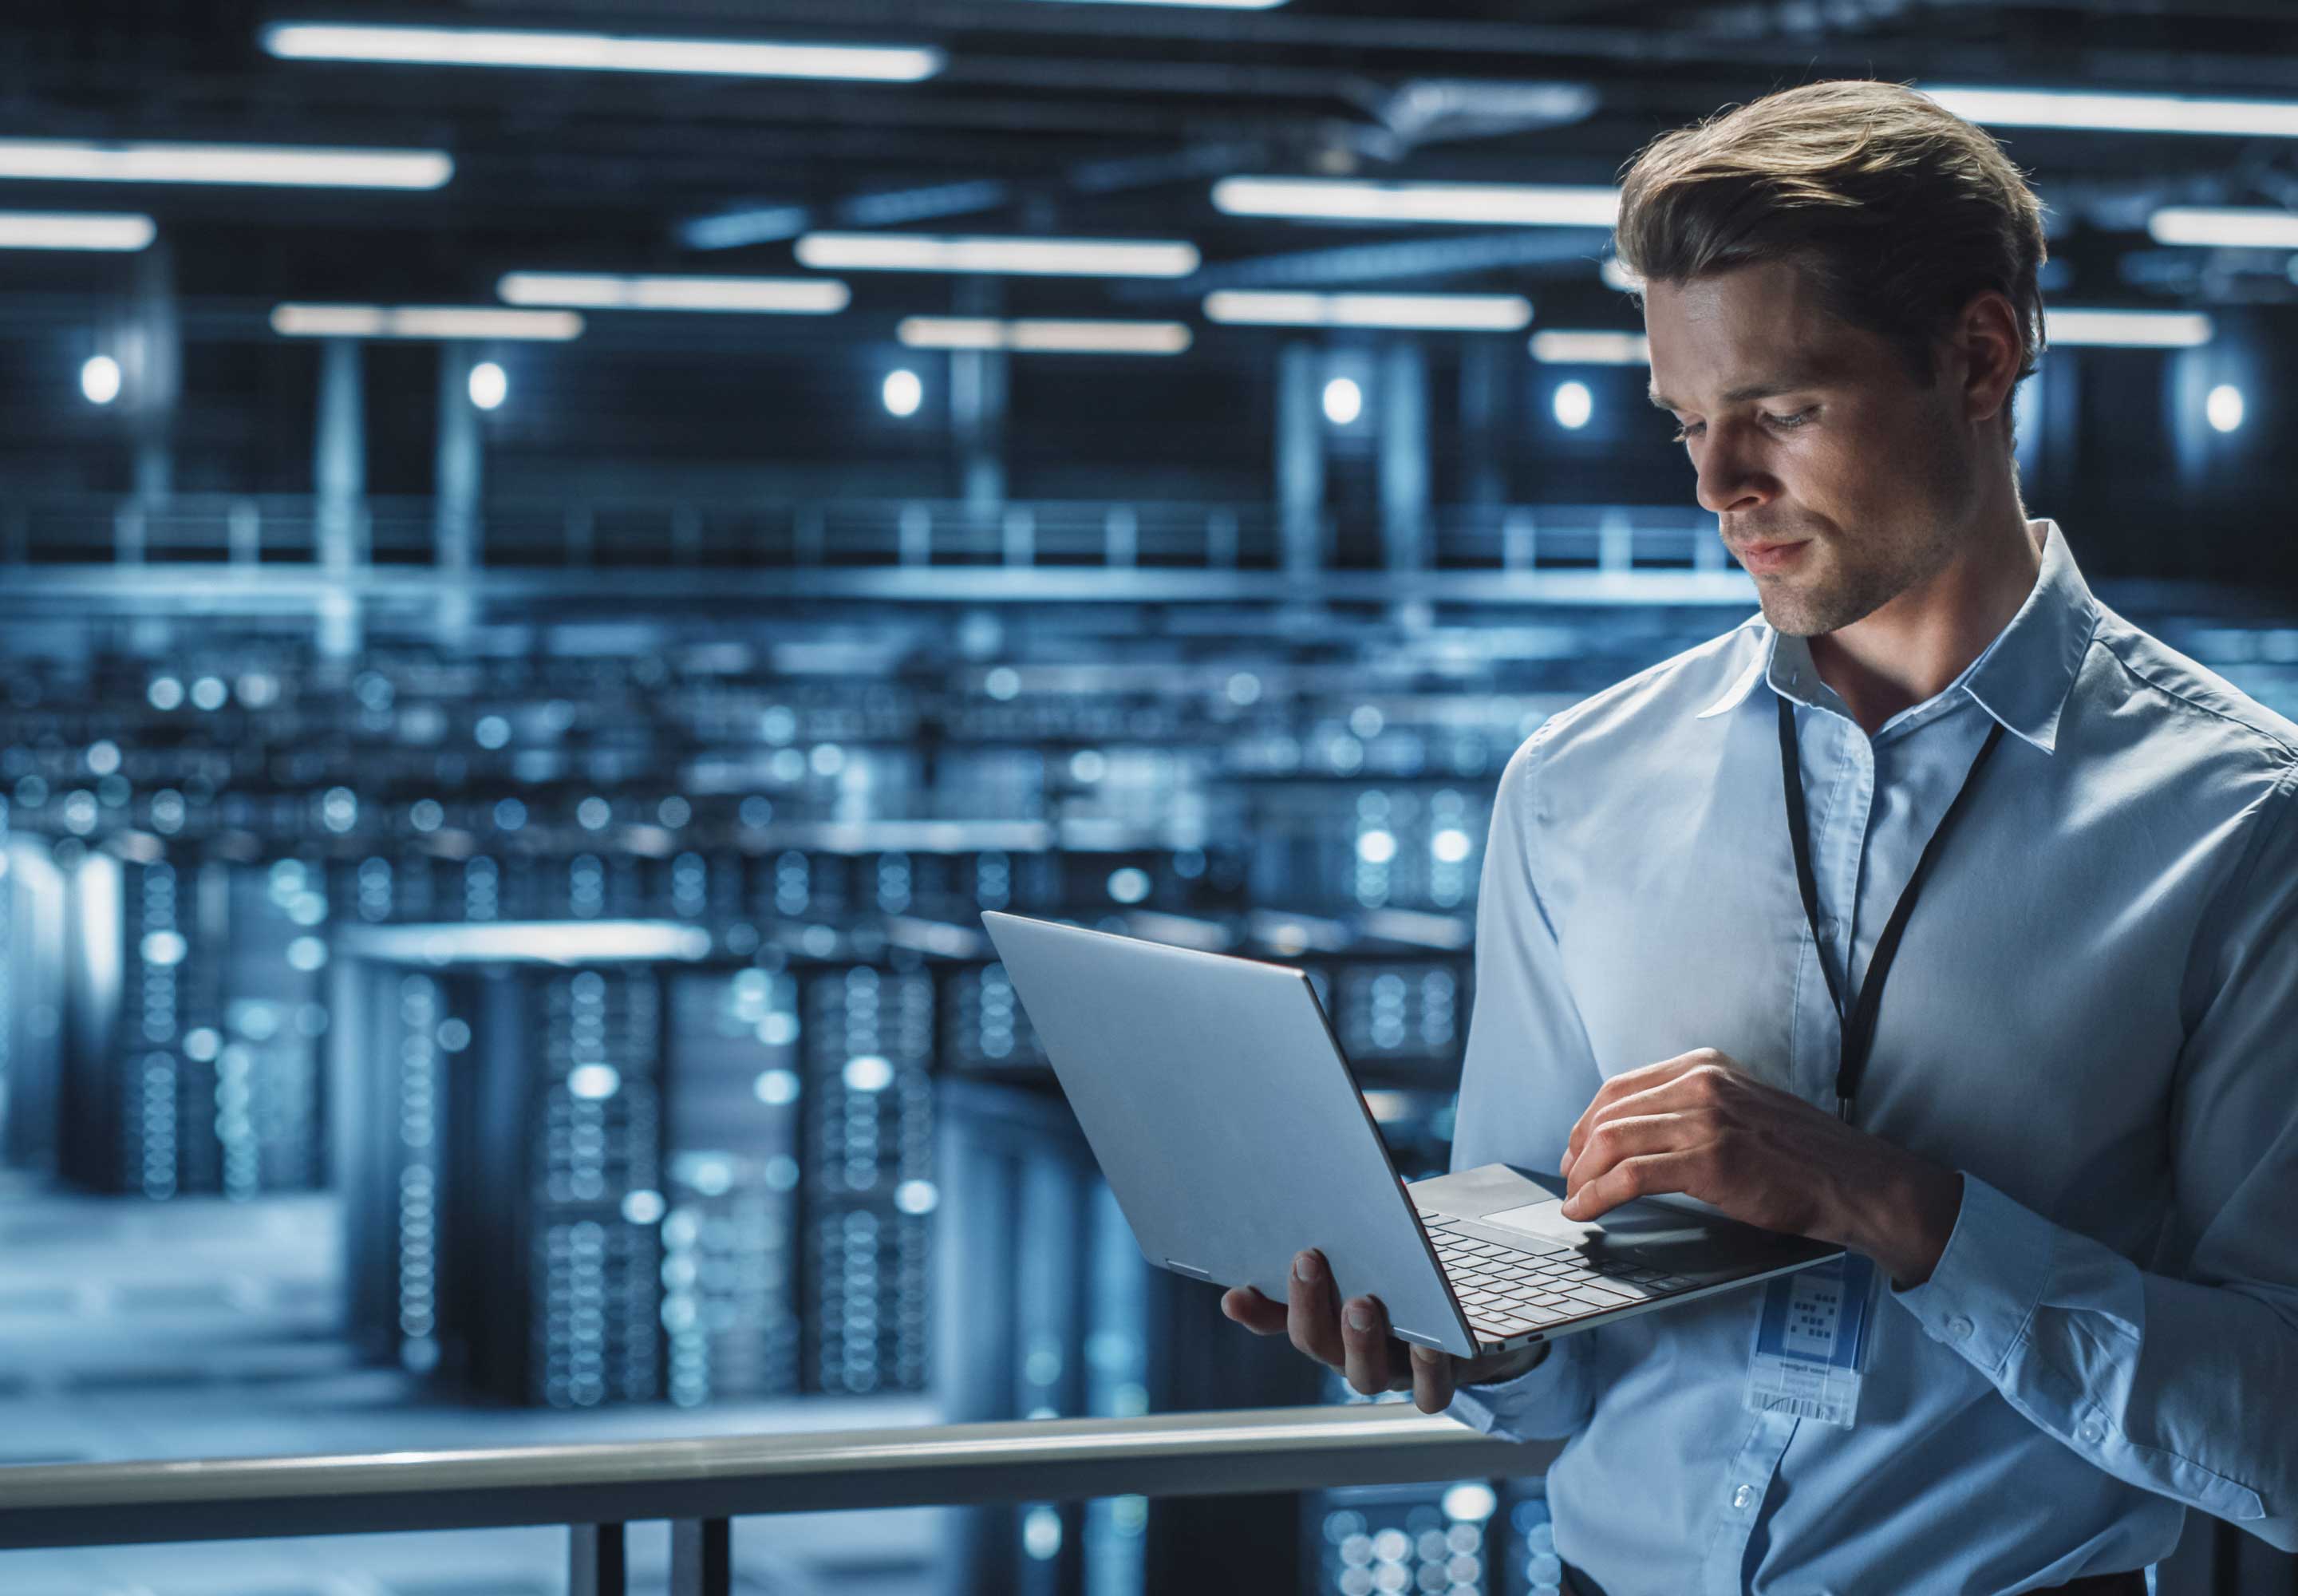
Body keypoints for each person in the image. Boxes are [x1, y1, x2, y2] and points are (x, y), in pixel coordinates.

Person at [1222, 78, 2297, 1595]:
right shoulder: (1576, 783)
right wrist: (1459, 1336)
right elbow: (1547, 1361)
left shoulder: (2243, 819)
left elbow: (2280, 1424)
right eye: (1688, 422)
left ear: (1979, 358)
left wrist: (1897, 1209)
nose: (1719, 486)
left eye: (1783, 412)